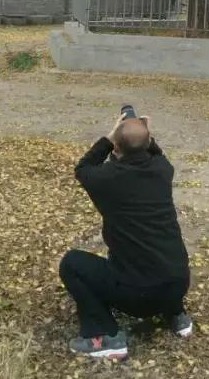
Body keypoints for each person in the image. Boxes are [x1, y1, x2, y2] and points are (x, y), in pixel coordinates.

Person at [60, 111, 191, 358]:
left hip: (139, 297)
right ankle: (176, 316)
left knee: (72, 263)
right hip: (179, 284)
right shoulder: (163, 170)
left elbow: (83, 167)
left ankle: (105, 336)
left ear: (116, 148)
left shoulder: (105, 179)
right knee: (159, 255)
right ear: (149, 143)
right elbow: (155, 153)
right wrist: (143, 136)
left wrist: (110, 137)